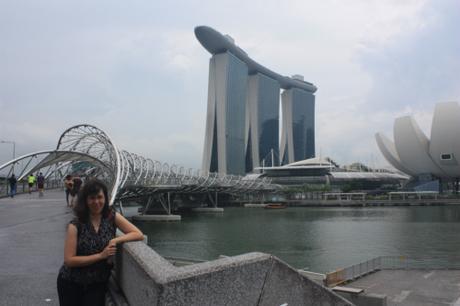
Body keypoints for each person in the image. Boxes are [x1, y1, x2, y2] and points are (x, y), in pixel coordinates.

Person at [57, 179, 143, 306]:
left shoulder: (111, 216)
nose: (96, 202)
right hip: (71, 283)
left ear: (105, 198)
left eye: (99, 197)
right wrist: (101, 256)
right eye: (92, 198)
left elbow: (138, 234)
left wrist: (115, 240)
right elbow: (69, 260)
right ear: (85, 200)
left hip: (97, 284)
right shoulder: (76, 224)